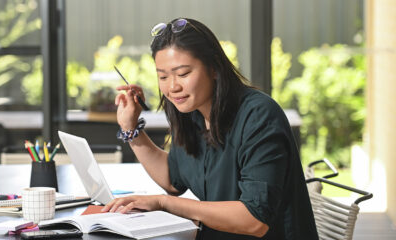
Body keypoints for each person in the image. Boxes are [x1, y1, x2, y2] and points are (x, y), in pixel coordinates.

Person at [102, 18, 318, 239]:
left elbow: (255, 220)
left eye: (183, 74)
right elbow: (172, 179)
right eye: (163, 76)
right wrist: (130, 128)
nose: (173, 87)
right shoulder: (190, 113)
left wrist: (163, 203)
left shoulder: (259, 116)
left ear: (214, 68)